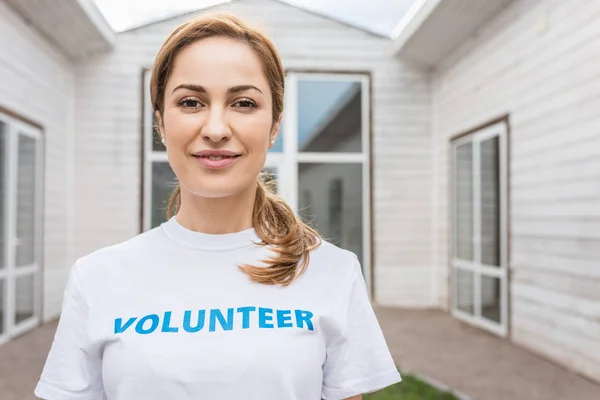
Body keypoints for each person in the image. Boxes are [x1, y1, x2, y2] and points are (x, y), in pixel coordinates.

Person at [34, 11, 401, 400]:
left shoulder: (333, 272)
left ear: (274, 124)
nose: (215, 129)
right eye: (191, 102)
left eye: (243, 103)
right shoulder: (96, 277)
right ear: (161, 123)